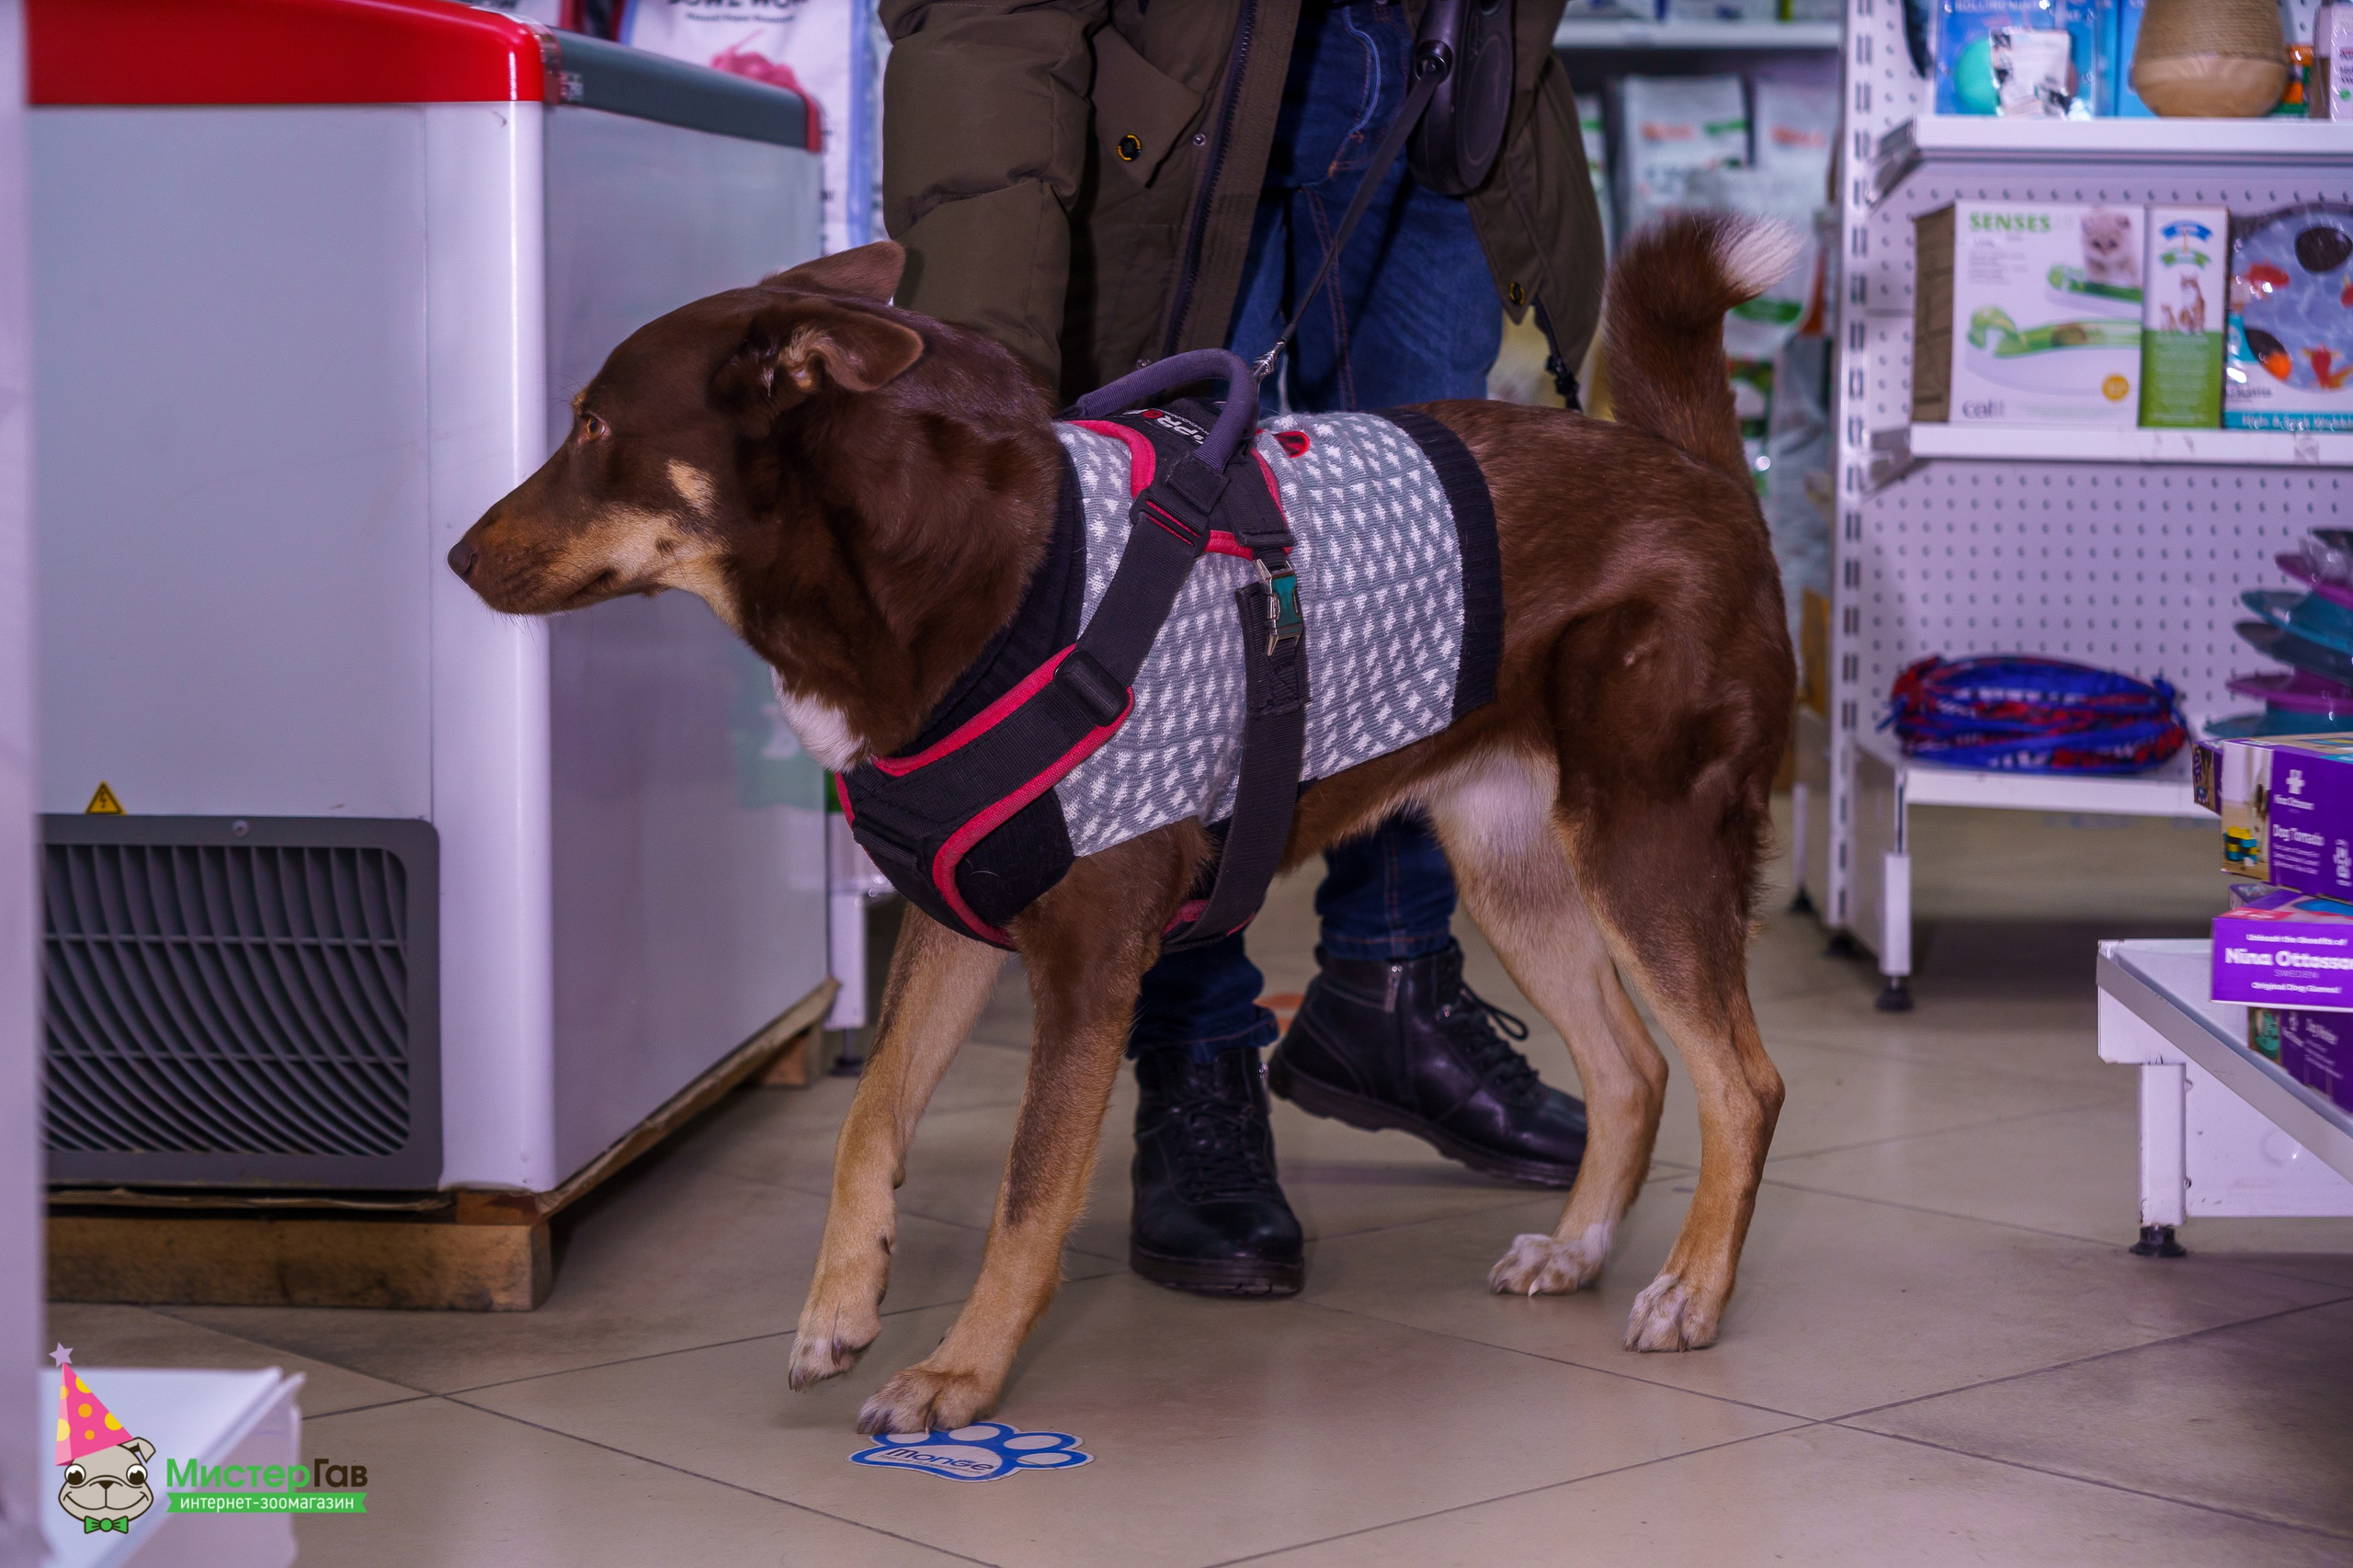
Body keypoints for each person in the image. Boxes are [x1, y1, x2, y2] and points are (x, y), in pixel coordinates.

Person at [880, 0, 1606, 1296]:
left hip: (1446, 76)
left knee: (1418, 577)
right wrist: (984, 388)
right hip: (1176, 84)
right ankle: (1197, 1043)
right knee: (1185, 611)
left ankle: (1389, 988)